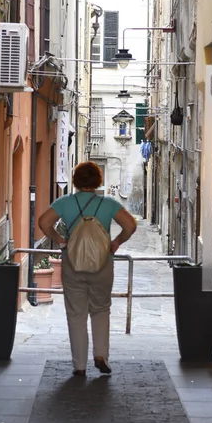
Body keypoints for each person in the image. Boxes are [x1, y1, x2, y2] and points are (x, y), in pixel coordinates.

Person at [39, 161, 137, 377]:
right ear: (97, 181)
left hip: (72, 264)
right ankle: (101, 355)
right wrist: (116, 242)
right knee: (101, 309)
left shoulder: (65, 202)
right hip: (103, 264)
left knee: (76, 314)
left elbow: (44, 222)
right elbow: (130, 225)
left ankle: (79, 366)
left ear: (75, 181)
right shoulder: (109, 204)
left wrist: (60, 240)